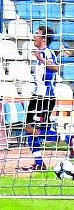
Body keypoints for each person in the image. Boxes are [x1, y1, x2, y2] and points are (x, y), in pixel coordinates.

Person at [23, 25, 73, 170]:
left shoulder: (46, 52)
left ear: (43, 39)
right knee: (30, 129)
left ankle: (68, 139)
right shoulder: (41, 52)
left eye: (37, 34)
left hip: (44, 97)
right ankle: (39, 163)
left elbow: (56, 67)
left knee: (31, 129)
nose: (34, 36)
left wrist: (41, 58)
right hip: (37, 96)